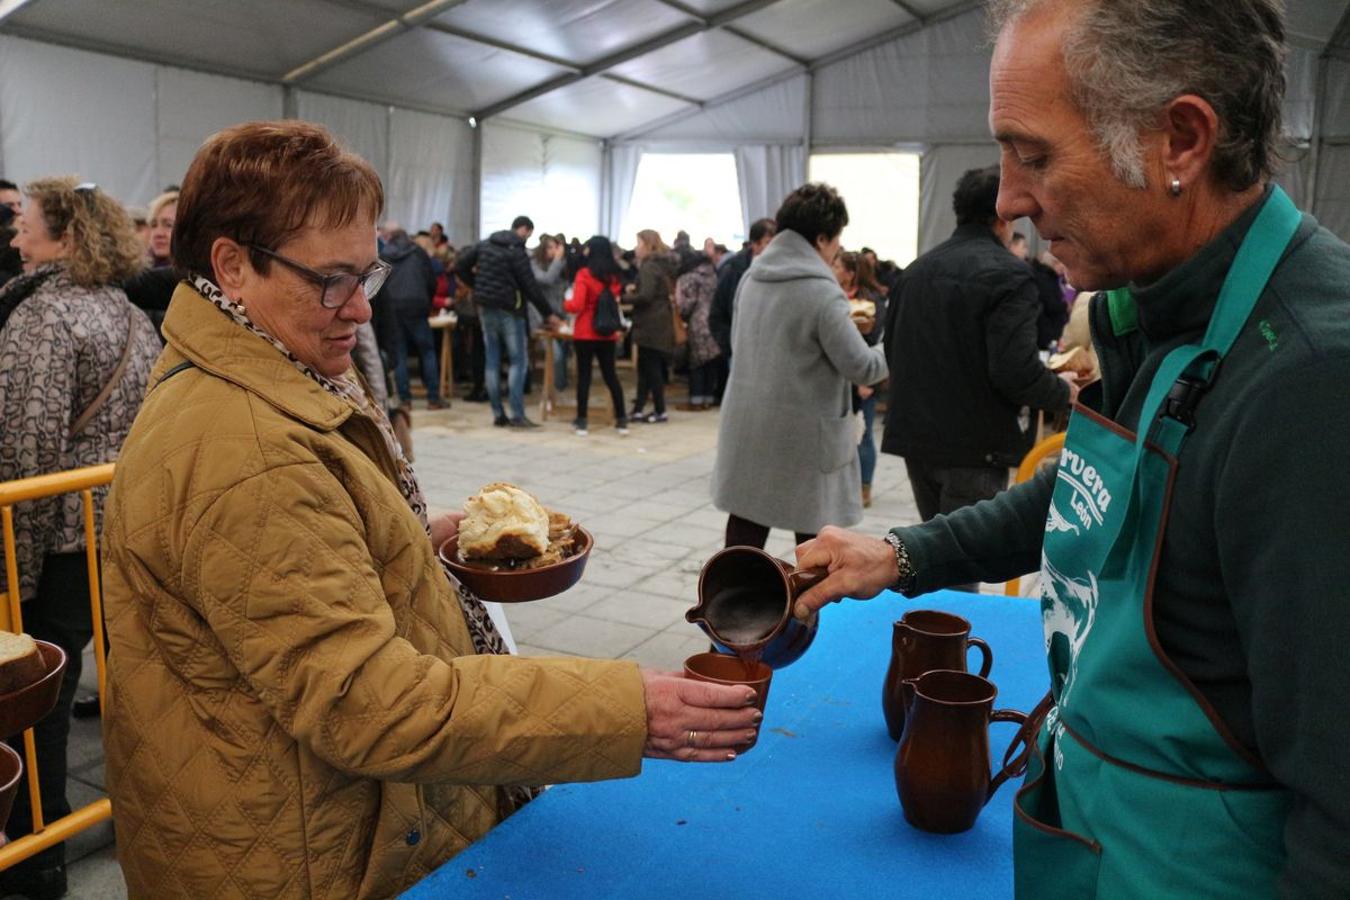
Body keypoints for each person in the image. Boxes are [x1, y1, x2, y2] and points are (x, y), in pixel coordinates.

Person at [99, 121, 761, 900]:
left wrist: (407, 537)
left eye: (367, 276)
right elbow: (369, 703)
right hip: (296, 858)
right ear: (232, 267)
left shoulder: (273, 369)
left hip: (306, 821)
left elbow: (289, 575)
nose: (361, 310)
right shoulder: (246, 444)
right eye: (331, 281)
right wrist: (626, 709)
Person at [793, 1, 1350, 895]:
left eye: (1035, 155)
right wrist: (901, 553)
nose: (1009, 197)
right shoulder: (1160, 306)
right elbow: (1094, 495)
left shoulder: (1313, 385)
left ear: (1181, 140)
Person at [0, 178, 160, 899]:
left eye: (25, 225)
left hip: (58, 537)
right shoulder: (127, 311)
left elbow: (25, 449)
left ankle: (39, 857)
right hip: (119, 528)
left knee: (40, 702)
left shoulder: (43, 316)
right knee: (116, 684)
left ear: (64, 237)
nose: (14, 237)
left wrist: (14, 569)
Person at [880, 165, 1072, 591]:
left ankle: (929, 644)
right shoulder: (1009, 274)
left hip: (917, 437)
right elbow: (1015, 371)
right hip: (975, 446)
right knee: (959, 565)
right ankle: (946, 651)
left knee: (932, 558)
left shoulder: (916, 271)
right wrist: (1065, 392)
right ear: (1003, 217)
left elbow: (893, 350)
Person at [711, 183, 886, 551]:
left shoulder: (752, 277)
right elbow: (864, 367)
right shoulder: (822, 293)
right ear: (822, 238)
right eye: (837, 238)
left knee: (745, 534)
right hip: (803, 439)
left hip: (749, 427)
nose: (838, 247)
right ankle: (807, 611)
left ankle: (729, 605)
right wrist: (894, 346)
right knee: (814, 541)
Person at [454, 215, 560, 428]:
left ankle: (498, 414)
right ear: (523, 231)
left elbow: (460, 265)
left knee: (491, 360)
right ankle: (517, 414)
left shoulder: (484, 245)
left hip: (485, 308)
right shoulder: (516, 252)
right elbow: (529, 286)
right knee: (517, 362)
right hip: (510, 310)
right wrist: (548, 313)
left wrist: (476, 285)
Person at [832, 251, 887, 508]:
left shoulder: (870, 301)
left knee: (863, 434)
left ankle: (864, 486)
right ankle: (844, 486)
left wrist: (867, 381)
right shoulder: (832, 295)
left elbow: (875, 341)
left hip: (863, 378)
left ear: (850, 273)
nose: (833, 268)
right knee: (842, 434)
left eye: (837, 265)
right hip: (839, 379)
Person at [565, 235, 629, 437]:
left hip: (585, 332)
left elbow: (577, 305)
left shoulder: (584, 274)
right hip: (607, 332)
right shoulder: (614, 276)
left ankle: (582, 421)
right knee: (610, 375)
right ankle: (621, 420)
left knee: (584, 377)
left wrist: (563, 303)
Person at [708, 217, 775, 399]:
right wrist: (731, 344)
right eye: (769, 243)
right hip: (740, 350)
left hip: (773, 352)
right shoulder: (733, 270)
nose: (775, 248)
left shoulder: (783, 271)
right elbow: (716, 313)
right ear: (755, 244)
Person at [379, 227, 443, 409]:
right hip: (417, 306)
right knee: (428, 351)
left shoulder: (384, 254)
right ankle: (433, 398)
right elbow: (432, 280)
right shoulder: (418, 252)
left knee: (400, 353)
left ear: (390, 238)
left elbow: (379, 283)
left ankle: (405, 400)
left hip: (393, 307)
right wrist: (428, 302)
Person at [627, 229, 678, 423]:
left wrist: (625, 297)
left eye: (638, 243)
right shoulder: (662, 265)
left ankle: (659, 410)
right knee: (648, 368)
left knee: (650, 369)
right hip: (660, 322)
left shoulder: (649, 267)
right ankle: (640, 408)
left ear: (648, 245)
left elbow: (646, 296)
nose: (636, 248)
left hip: (650, 324)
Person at [675, 242, 720, 409]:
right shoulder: (713, 275)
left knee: (697, 363)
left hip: (697, 322)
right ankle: (708, 399)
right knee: (710, 363)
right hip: (714, 322)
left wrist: (681, 316)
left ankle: (696, 400)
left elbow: (687, 304)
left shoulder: (689, 278)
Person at [529, 234, 569, 392]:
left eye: (556, 248)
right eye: (550, 248)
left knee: (562, 354)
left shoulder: (561, 266)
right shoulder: (534, 264)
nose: (554, 252)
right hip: (541, 319)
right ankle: (555, 391)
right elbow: (546, 279)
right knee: (556, 356)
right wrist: (558, 261)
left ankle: (559, 387)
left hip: (560, 317)